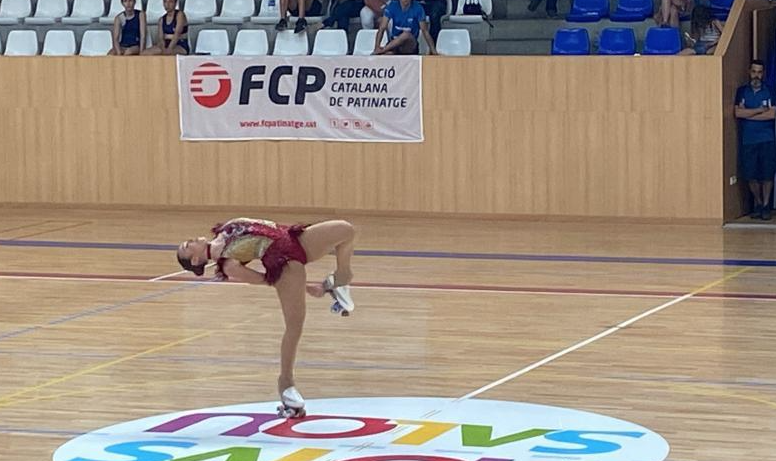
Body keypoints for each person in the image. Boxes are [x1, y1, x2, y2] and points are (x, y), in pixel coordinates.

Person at [176, 218, 356, 416]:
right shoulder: (227, 264)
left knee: (345, 230)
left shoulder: (226, 228)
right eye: (187, 246)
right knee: (294, 326)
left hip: (296, 239)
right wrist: (298, 286)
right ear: (195, 260)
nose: (189, 241)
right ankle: (286, 383)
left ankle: (341, 278)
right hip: (285, 265)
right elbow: (263, 279)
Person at [735, 60, 776, 220]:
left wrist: (748, 114)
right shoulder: (742, 91)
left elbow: (771, 115)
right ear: (749, 72)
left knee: (767, 174)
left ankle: (766, 206)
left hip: (767, 139)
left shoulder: (770, 91)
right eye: (754, 72)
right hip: (748, 139)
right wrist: (759, 110)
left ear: (763, 74)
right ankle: (758, 203)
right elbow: (738, 113)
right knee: (750, 175)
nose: (756, 75)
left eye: (759, 72)